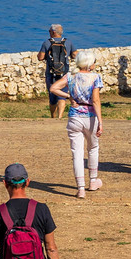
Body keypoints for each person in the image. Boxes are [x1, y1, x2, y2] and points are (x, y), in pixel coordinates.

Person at [49, 50, 102, 199]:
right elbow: (96, 101)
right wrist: (100, 121)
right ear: (90, 63)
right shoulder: (95, 77)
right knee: (93, 148)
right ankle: (93, 181)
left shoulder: (70, 76)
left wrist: (69, 96)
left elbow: (53, 88)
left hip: (74, 117)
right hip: (90, 117)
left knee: (77, 153)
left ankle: (80, 188)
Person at [37, 25, 76, 119]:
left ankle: (53, 116)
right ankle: (60, 117)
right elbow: (75, 55)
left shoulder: (47, 43)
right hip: (64, 73)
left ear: (53, 32)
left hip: (51, 74)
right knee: (62, 96)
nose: (49, 32)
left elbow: (40, 57)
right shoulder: (68, 42)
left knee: (52, 96)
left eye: (49, 31)